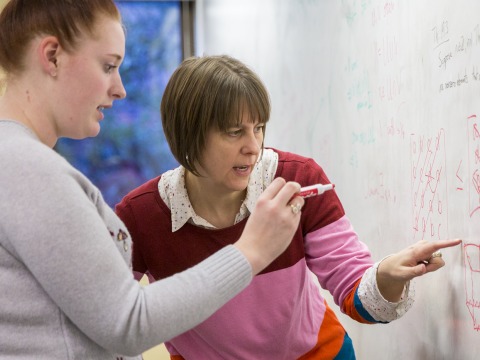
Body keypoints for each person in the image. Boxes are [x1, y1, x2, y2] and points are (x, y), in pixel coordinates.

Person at [0, 2, 305, 359]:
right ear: (52, 57)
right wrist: (251, 250)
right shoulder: (26, 170)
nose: (120, 89)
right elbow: (127, 323)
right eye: (108, 66)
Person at [115, 54, 462, 360]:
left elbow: (359, 297)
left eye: (259, 128)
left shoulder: (298, 180)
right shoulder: (139, 217)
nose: (253, 147)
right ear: (187, 133)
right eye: (235, 132)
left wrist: (386, 276)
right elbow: (110, 321)